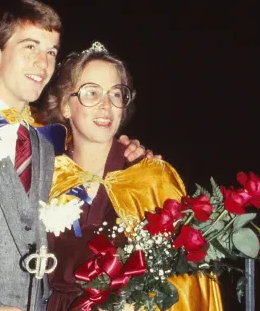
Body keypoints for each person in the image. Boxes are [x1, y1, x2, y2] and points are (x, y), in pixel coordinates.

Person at [0, 0, 148, 311]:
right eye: (30, 47)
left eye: (51, 51)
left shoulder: (44, 144)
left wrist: (136, 157)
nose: (43, 63)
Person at [40, 42, 223, 310]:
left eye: (116, 94)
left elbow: (189, 282)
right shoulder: (45, 175)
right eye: (91, 93)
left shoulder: (151, 178)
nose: (106, 105)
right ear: (66, 106)